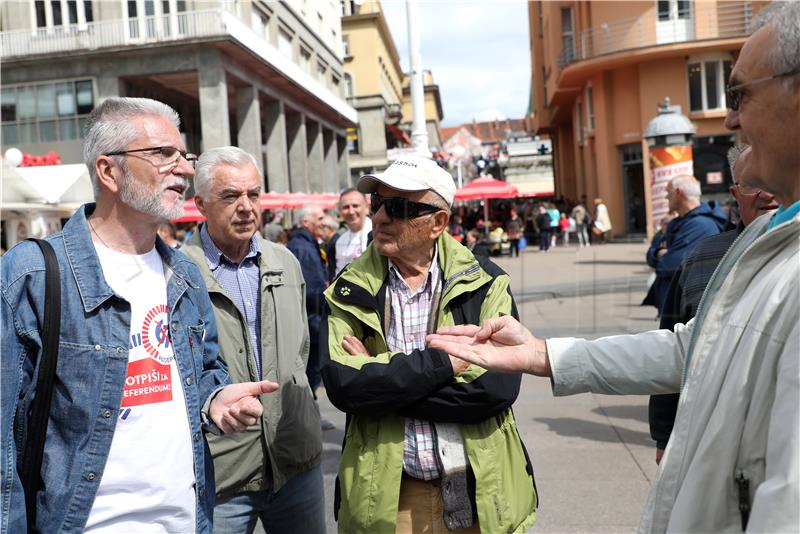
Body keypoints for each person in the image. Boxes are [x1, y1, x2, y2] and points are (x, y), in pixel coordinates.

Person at [429, 4, 800, 530]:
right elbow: (690, 347)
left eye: (738, 93)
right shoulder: (769, 237)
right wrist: (541, 355)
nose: (729, 118)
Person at [1, 97, 278, 533]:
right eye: (162, 154)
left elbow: (204, 371)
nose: (185, 170)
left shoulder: (184, 274)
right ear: (108, 171)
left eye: (183, 156)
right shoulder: (33, 275)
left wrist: (214, 400)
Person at [321, 155, 537, 533]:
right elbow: (345, 386)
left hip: (479, 490)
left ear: (438, 222)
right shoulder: (348, 288)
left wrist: (384, 371)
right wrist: (443, 365)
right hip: (391, 499)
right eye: (379, 204)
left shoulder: (486, 282)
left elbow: (495, 390)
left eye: (401, 207)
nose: (382, 217)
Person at [182, 147, 325, 534]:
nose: (246, 206)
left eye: (253, 194)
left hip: (295, 457)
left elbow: (302, 350)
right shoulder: (177, 272)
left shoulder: (285, 261)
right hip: (221, 471)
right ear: (200, 204)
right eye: (231, 196)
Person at [649, 145, 779, 464]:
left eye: (775, 178)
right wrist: (664, 435)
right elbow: (671, 348)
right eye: (752, 183)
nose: (767, 193)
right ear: (735, 192)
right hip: (720, 439)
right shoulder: (702, 258)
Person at [643, 175, 727, 315]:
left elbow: (669, 266)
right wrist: (658, 253)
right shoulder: (678, 223)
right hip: (674, 306)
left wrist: (662, 255)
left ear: (678, 192)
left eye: (668, 192)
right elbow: (651, 255)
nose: (666, 197)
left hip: (687, 310)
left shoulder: (701, 225)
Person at [286, 205, 333, 430]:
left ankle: (309, 414)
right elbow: (312, 289)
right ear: (306, 222)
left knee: (311, 368)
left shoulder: (305, 243)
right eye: (319, 217)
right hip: (311, 318)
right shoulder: (302, 247)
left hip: (310, 317)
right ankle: (308, 415)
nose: (323, 222)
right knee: (310, 369)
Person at [333, 188, 372, 276]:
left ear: (366, 208)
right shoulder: (340, 240)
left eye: (355, 206)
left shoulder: (377, 234)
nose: (351, 212)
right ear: (340, 211)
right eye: (346, 207)